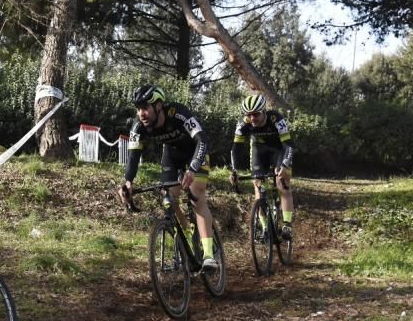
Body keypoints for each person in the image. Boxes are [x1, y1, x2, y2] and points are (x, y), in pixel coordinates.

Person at [117, 84, 219, 272]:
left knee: (197, 195)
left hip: (196, 153)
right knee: (169, 199)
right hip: (172, 155)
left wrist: (192, 169)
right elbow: (133, 157)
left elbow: (202, 140)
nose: (141, 113)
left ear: (158, 106)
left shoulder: (178, 113)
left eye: (145, 107)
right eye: (138, 109)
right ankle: (187, 233)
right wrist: (128, 182)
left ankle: (208, 255)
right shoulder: (138, 126)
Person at [228, 94, 295, 240]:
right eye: (249, 115)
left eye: (256, 114)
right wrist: (234, 170)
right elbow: (236, 148)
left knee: (282, 183)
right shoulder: (243, 123)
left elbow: (288, 145)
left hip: (279, 149)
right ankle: (265, 227)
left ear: (264, 111)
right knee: (257, 184)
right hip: (259, 149)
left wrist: (284, 165)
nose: (252, 118)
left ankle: (287, 225)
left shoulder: (276, 118)